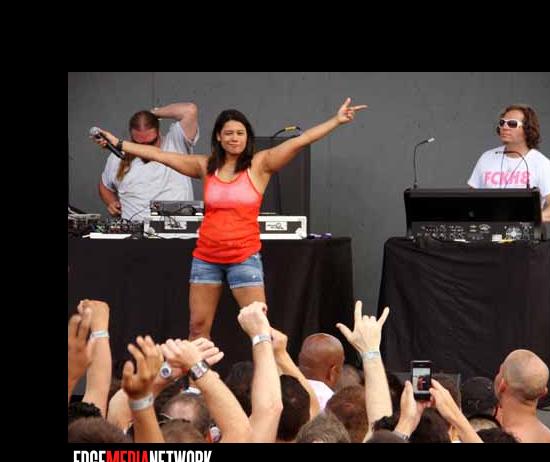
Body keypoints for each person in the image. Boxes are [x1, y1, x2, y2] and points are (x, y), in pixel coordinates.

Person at [93, 98, 366, 339]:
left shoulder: (260, 164)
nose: (235, 138)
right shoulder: (204, 165)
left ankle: (267, 379)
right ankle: (198, 380)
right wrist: (119, 143)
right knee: (197, 328)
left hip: (244, 258)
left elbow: (300, 141)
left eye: (240, 133)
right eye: (229, 133)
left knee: (260, 330)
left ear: (247, 137)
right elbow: (159, 154)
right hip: (206, 259)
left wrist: (336, 121)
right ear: (219, 137)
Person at [97, 102, 199, 221]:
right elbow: (105, 186)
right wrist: (112, 202)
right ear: (131, 137)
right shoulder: (117, 156)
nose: (145, 149)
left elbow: (189, 110)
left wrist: (153, 114)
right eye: (139, 144)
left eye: (151, 143)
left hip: (177, 228)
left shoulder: (176, 143)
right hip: (133, 229)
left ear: (158, 132)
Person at [468, 104, 550, 223]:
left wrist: (531, 219)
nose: (504, 127)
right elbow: (470, 200)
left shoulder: (541, 164)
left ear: (527, 129)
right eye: (502, 123)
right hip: (488, 230)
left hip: (522, 233)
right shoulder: (487, 158)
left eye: (512, 123)